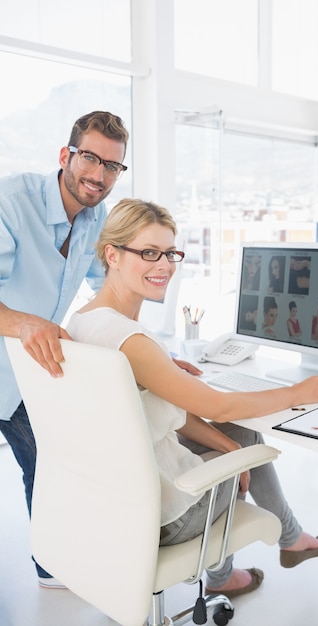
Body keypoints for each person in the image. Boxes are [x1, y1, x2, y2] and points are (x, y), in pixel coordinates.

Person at [67, 199, 318, 598]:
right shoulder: (133, 341)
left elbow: (160, 413)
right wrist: (298, 393)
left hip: (116, 501)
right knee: (244, 431)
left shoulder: (83, 323)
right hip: (166, 518)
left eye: (169, 253)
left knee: (234, 436)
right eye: (148, 253)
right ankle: (277, 544)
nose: (164, 266)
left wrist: (224, 441)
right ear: (112, 254)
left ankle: (280, 542)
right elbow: (218, 407)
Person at [0, 110, 131, 587]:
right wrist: (22, 322)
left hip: (27, 370)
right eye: (90, 158)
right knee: (48, 460)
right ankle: (54, 565)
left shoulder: (97, 221)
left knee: (52, 462)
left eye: (112, 166)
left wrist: (143, 350)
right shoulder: (12, 202)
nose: (98, 175)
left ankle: (53, 566)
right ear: (66, 155)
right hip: (9, 357)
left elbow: (108, 292)